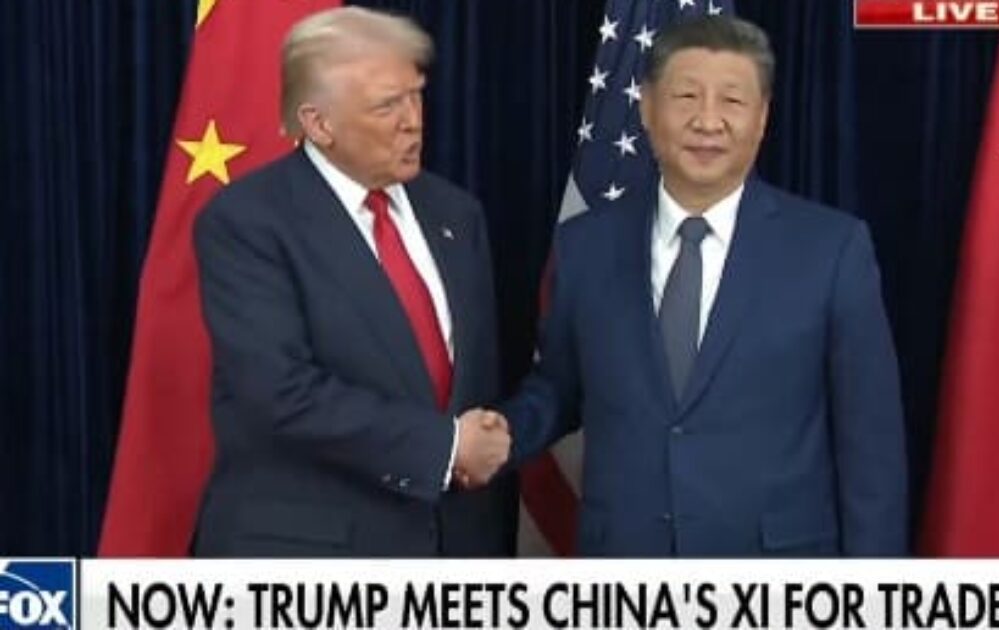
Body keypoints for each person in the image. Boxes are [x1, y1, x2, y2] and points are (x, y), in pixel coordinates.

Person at [496, 15, 907, 556]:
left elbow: (871, 452)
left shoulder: (832, 251)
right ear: (645, 108)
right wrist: (498, 436)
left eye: (732, 102)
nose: (707, 120)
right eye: (686, 96)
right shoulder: (585, 246)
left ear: (762, 117)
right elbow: (560, 388)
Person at [191, 7, 514, 557]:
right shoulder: (247, 222)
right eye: (388, 104)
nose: (414, 120)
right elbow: (280, 394)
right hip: (311, 557)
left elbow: (471, 380)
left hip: (454, 554)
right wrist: (448, 446)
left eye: (417, 94)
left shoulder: (457, 214)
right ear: (318, 124)